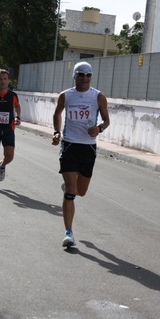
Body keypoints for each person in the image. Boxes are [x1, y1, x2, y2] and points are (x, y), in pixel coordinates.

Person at [52, 61, 110, 247]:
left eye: (88, 75)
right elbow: (57, 114)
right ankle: (68, 232)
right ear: (75, 76)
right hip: (69, 145)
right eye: (81, 74)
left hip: (88, 148)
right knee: (71, 189)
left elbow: (106, 120)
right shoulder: (66, 95)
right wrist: (56, 132)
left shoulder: (98, 97)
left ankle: (71, 189)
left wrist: (99, 128)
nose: (85, 78)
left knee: (81, 191)